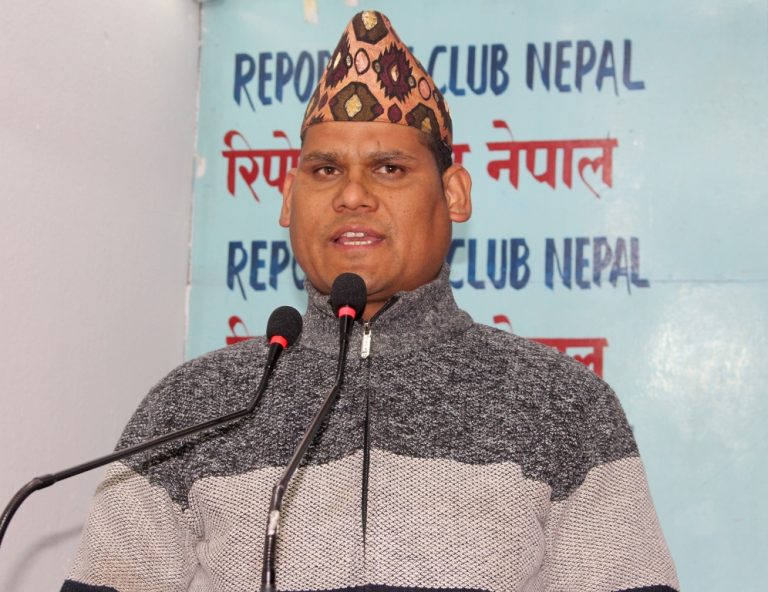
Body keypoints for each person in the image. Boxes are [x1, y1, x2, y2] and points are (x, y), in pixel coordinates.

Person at [62, 11, 679, 592]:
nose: (352, 195)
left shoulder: (561, 404)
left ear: (454, 194)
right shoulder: (192, 406)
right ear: (288, 199)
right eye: (325, 171)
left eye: (389, 168)